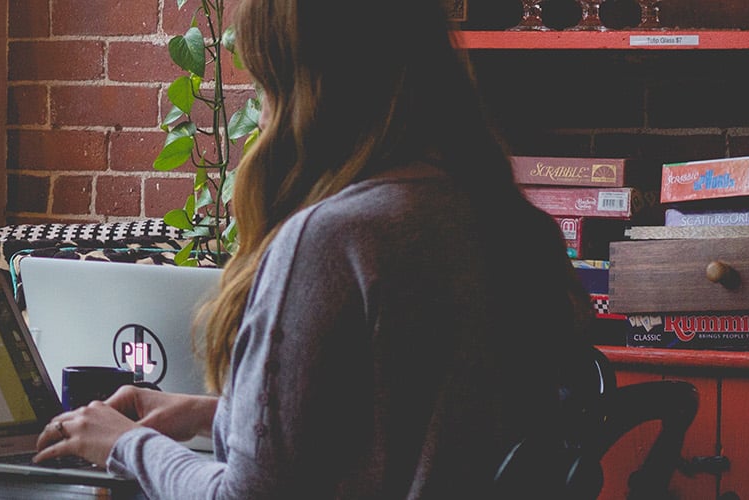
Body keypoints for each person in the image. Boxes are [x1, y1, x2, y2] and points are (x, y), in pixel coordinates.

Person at [30, 0, 595, 498]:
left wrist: (124, 446)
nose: (261, 109)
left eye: (262, 82)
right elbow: (418, 432)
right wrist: (216, 417)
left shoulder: (335, 240)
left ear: (305, 87)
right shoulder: (513, 224)